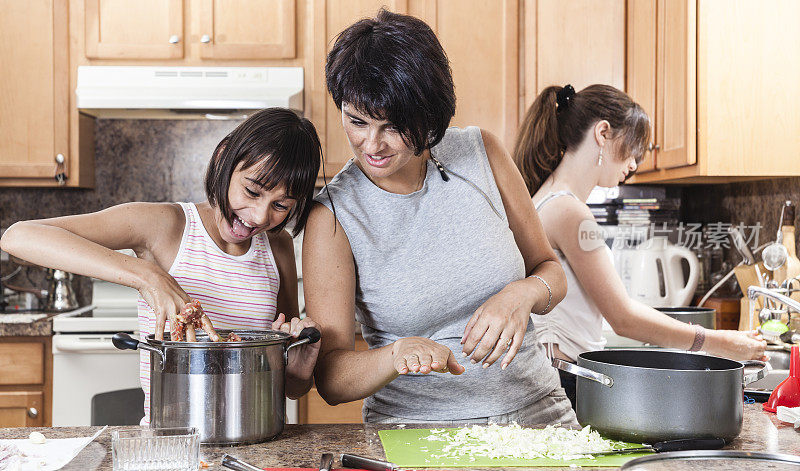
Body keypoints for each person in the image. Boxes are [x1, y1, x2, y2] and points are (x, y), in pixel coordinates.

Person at [302, 9, 576, 425]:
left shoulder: (481, 153)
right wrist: (396, 356)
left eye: (392, 126)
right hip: (418, 430)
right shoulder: (334, 215)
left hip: (538, 411)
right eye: (356, 121)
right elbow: (331, 379)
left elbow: (550, 270)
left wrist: (521, 294)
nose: (370, 144)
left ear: (429, 115)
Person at [0, 108, 323, 423]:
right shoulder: (164, 225)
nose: (259, 216)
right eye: (252, 190)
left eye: (280, 205)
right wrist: (147, 276)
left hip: (254, 436)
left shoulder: (276, 247)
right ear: (222, 157)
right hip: (172, 442)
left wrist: (298, 367)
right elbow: (18, 237)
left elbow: (293, 388)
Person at [513, 84, 767, 408]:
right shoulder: (569, 212)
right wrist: (718, 343)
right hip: (565, 382)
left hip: (557, 375)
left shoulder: (548, 199)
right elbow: (623, 317)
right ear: (602, 133)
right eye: (633, 148)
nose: (634, 164)